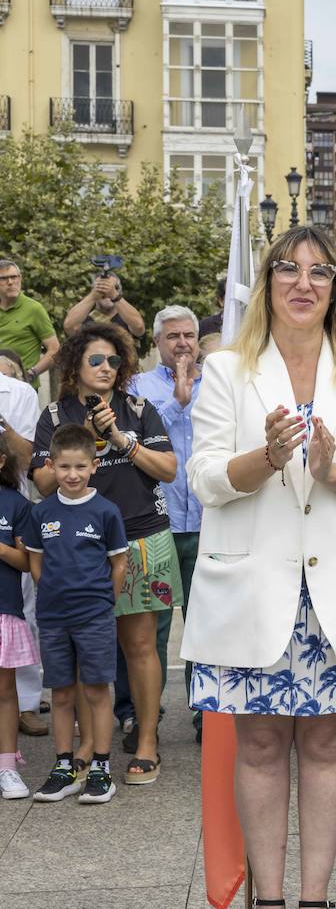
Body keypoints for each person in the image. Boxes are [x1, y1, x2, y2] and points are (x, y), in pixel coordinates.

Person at [182, 226, 336, 909]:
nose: (303, 283)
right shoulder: (228, 368)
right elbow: (202, 477)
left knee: (325, 741)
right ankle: (270, 900)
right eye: (288, 269)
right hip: (255, 587)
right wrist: (267, 459)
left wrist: (331, 470)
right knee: (256, 745)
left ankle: (314, 899)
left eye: (319, 271)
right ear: (268, 283)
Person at [30, 323, 179, 785]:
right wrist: (85, 446)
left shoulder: (138, 409)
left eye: (114, 361)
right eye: (96, 360)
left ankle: (148, 741)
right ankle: (86, 748)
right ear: (75, 365)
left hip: (139, 538)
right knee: (76, 652)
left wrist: (120, 439)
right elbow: (41, 481)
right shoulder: (55, 416)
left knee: (139, 646)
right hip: (75, 547)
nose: (107, 369)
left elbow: (169, 470)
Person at [27, 424, 128, 804]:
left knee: (97, 690)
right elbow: (37, 563)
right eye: (64, 467)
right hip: (53, 618)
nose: (72, 475)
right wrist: (51, 593)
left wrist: (105, 601)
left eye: (80, 467)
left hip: (94, 617)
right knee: (62, 693)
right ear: (51, 466)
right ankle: (64, 766)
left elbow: (119, 564)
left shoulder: (105, 511)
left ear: (94, 466)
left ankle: (100, 767)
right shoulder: (43, 512)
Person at [129, 306, 202, 738]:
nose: (181, 343)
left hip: (209, 522)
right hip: (157, 523)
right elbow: (136, 443)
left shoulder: (218, 384)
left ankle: (204, 713)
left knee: (203, 625)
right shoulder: (138, 388)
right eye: (172, 335)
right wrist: (178, 402)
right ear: (156, 342)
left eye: (188, 335)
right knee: (151, 628)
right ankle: (146, 718)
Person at [0, 352, 43, 738]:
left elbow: (26, 457)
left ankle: (26, 703)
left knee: (19, 609)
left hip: (9, 505)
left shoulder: (19, 392)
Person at [0, 433, 35, 798]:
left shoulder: (16, 504)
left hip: (4, 610)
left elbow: (27, 561)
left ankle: (7, 766)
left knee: (5, 691)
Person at [0, 260, 60, 386]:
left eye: (14, 277)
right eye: (4, 279)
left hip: (23, 387)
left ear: (20, 278)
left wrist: (32, 373)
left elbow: (54, 349)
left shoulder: (34, 309)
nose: (10, 282)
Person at [61, 272, 145, 339]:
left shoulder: (127, 319)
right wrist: (93, 296)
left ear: (120, 292)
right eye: (101, 287)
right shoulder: (84, 320)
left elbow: (139, 327)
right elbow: (69, 326)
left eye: (115, 287)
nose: (108, 291)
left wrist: (115, 296)